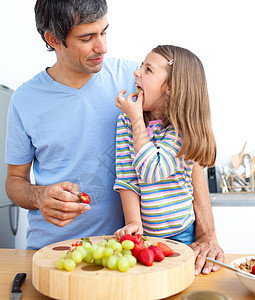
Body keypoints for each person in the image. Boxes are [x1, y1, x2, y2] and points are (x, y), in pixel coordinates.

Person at [4, 0, 223, 275]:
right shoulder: (25, 100)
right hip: (53, 252)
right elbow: (14, 182)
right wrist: (38, 196)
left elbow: (188, 154)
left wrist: (207, 234)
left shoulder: (136, 80)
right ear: (54, 39)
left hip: (125, 252)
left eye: (104, 32)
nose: (103, 47)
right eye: (87, 37)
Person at [114, 45, 224, 274]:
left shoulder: (181, 129)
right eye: (140, 67)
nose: (136, 73)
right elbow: (127, 177)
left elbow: (151, 170)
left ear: (171, 88)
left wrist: (137, 122)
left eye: (148, 70)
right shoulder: (125, 121)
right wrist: (135, 224)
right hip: (146, 233)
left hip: (182, 236)